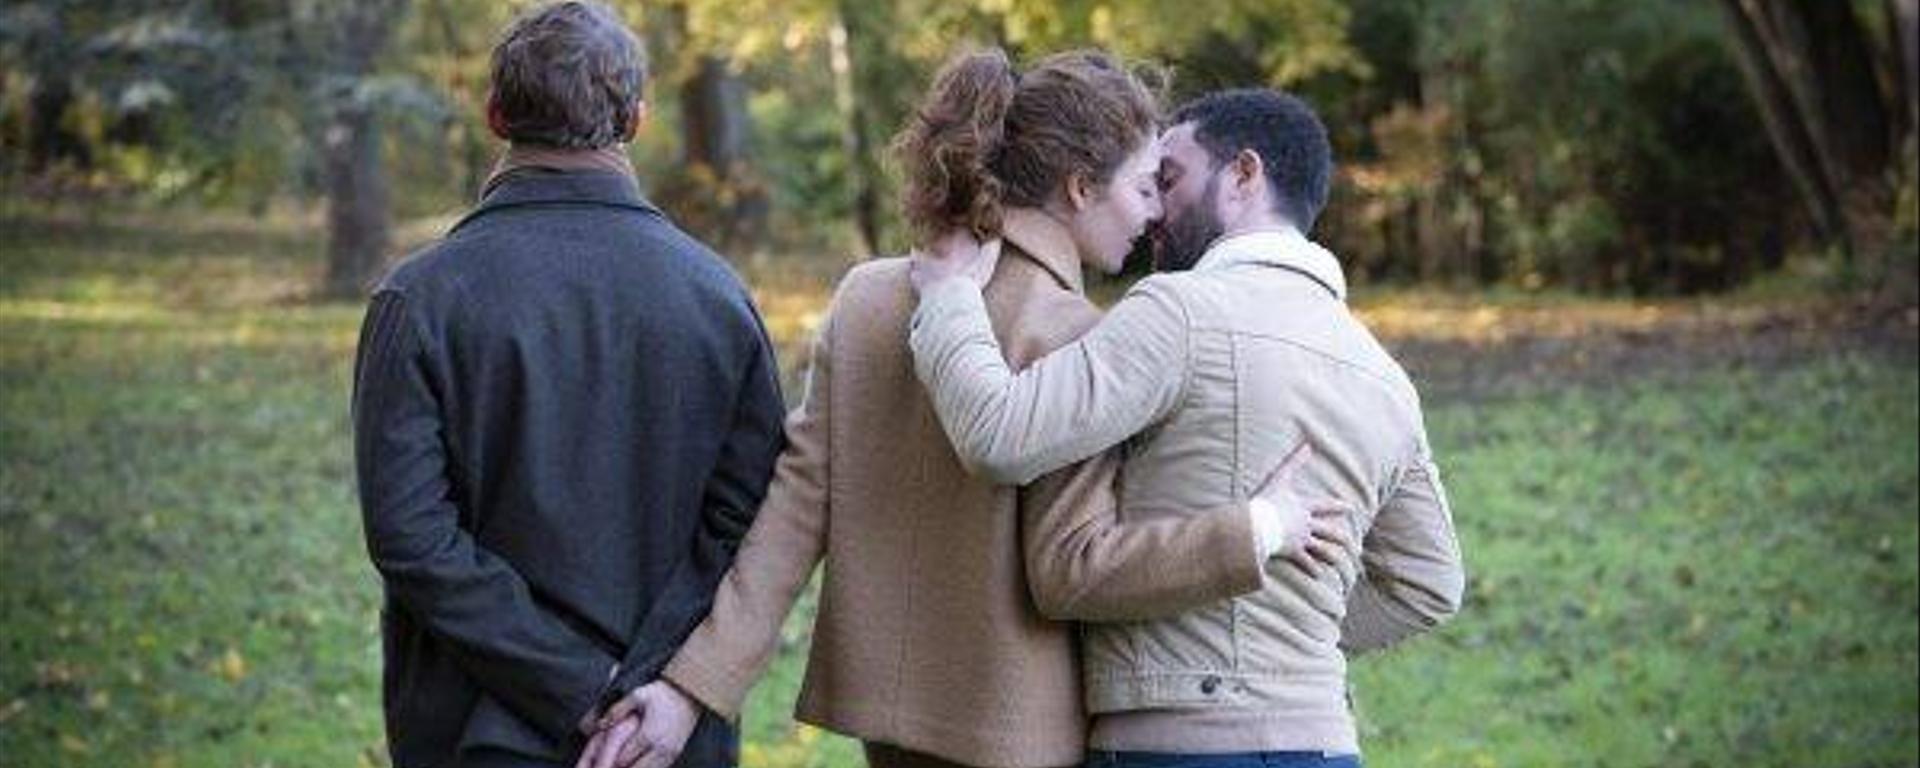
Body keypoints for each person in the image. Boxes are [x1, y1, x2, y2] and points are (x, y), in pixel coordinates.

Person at [578, 52, 1343, 768]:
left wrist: (693, 688)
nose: (1154, 215)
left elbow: (793, 511)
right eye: (1145, 188)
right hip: (1021, 730)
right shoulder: (1079, 335)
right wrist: (1257, 532)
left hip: (882, 716)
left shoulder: (870, 296)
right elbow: (1078, 564)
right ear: (1080, 188)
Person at [906, 89, 1468, 767]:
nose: (1152, 211)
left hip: (1177, 747)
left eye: (1168, 180)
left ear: (1243, 174)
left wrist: (948, 299)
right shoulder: (1384, 375)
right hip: (1324, 744)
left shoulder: (1181, 312)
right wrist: (1282, 643)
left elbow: (999, 434)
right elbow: (1428, 583)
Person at [350, 3, 783, 766]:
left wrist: (584, 686)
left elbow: (411, 536)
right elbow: (747, 525)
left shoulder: (419, 300)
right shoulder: (718, 299)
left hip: (476, 731)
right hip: (663, 735)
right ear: (637, 120)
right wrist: (647, 687)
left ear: (494, 115)